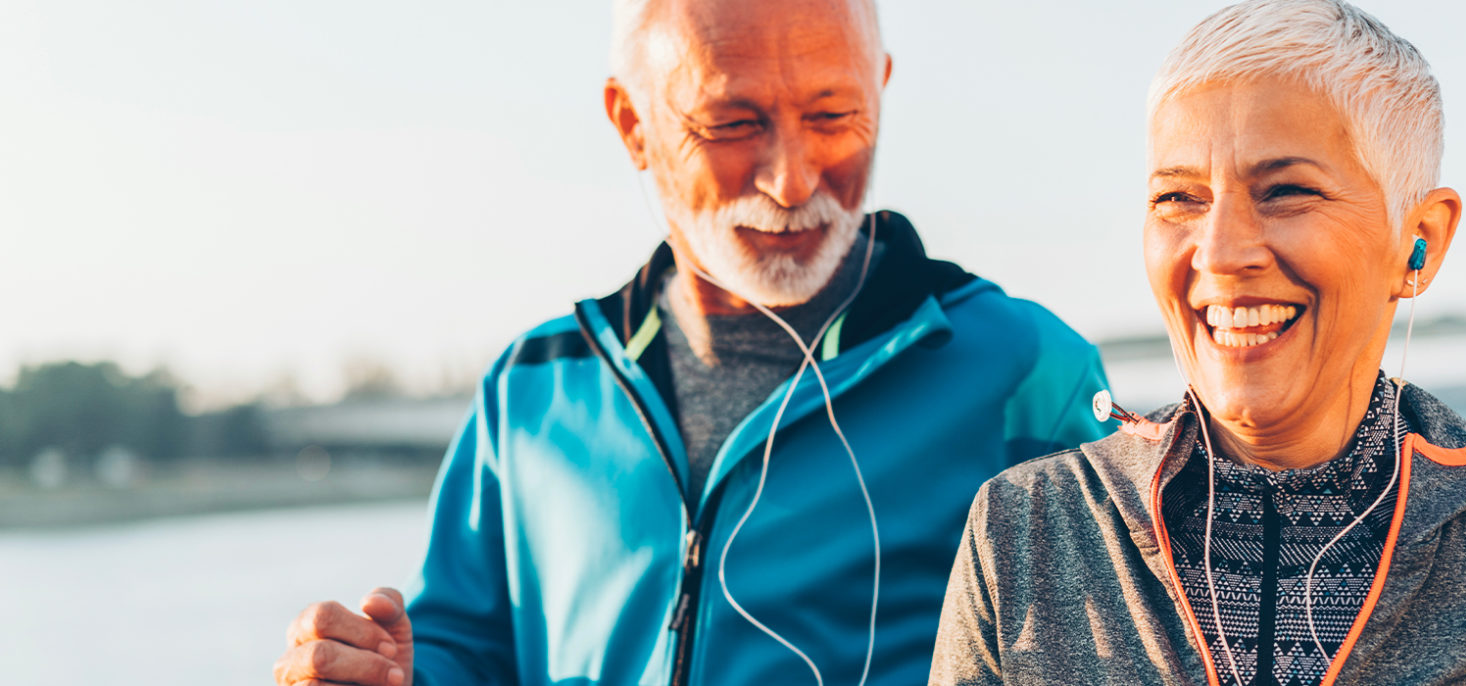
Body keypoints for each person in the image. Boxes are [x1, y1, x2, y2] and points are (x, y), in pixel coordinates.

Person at [273, 1, 1113, 684]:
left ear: (881, 89)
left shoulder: (1029, 374)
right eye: (734, 122)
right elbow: (470, 650)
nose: (792, 179)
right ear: (631, 122)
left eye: (834, 114)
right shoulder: (531, 386)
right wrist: (391, 677)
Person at [930, 1, 1466, 684]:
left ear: (1421, 241)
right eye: (1178, 198)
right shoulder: (1027, 530)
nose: (1222, 252)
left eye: (1286, 191)